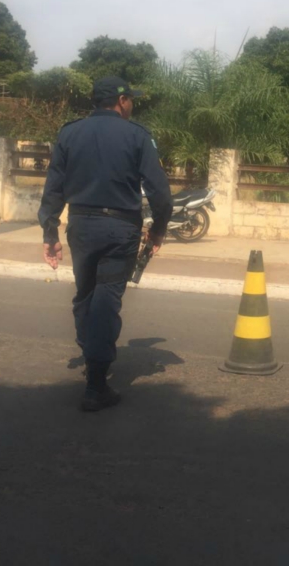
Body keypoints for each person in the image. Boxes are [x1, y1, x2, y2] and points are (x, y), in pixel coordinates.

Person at [38, 75, 174, 411]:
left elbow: (53, 187)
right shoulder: (137, 135)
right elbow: (160, 192)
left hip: (81, 226)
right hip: (120, 229)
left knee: (86, 294)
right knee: (106, 299)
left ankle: (90, 354)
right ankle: (97, 384)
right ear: (122, 101)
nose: (133, 105)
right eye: (132, 100)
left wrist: (50, 233)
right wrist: (158, 229)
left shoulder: (70, 133)